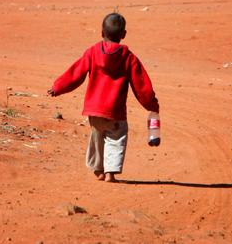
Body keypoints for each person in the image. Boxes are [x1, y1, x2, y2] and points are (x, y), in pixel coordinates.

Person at [48, 13, 160, 182]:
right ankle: (110, 173)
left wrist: (57, 87)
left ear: (102, 32)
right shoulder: (129, 58)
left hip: (94, 111)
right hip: (115, 112)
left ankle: (99, 169)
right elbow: (141, 86)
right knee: (116, 138)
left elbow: (75, 74)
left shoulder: (92, 52)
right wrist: (152, 104)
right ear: (123, 34)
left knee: (97, 138)